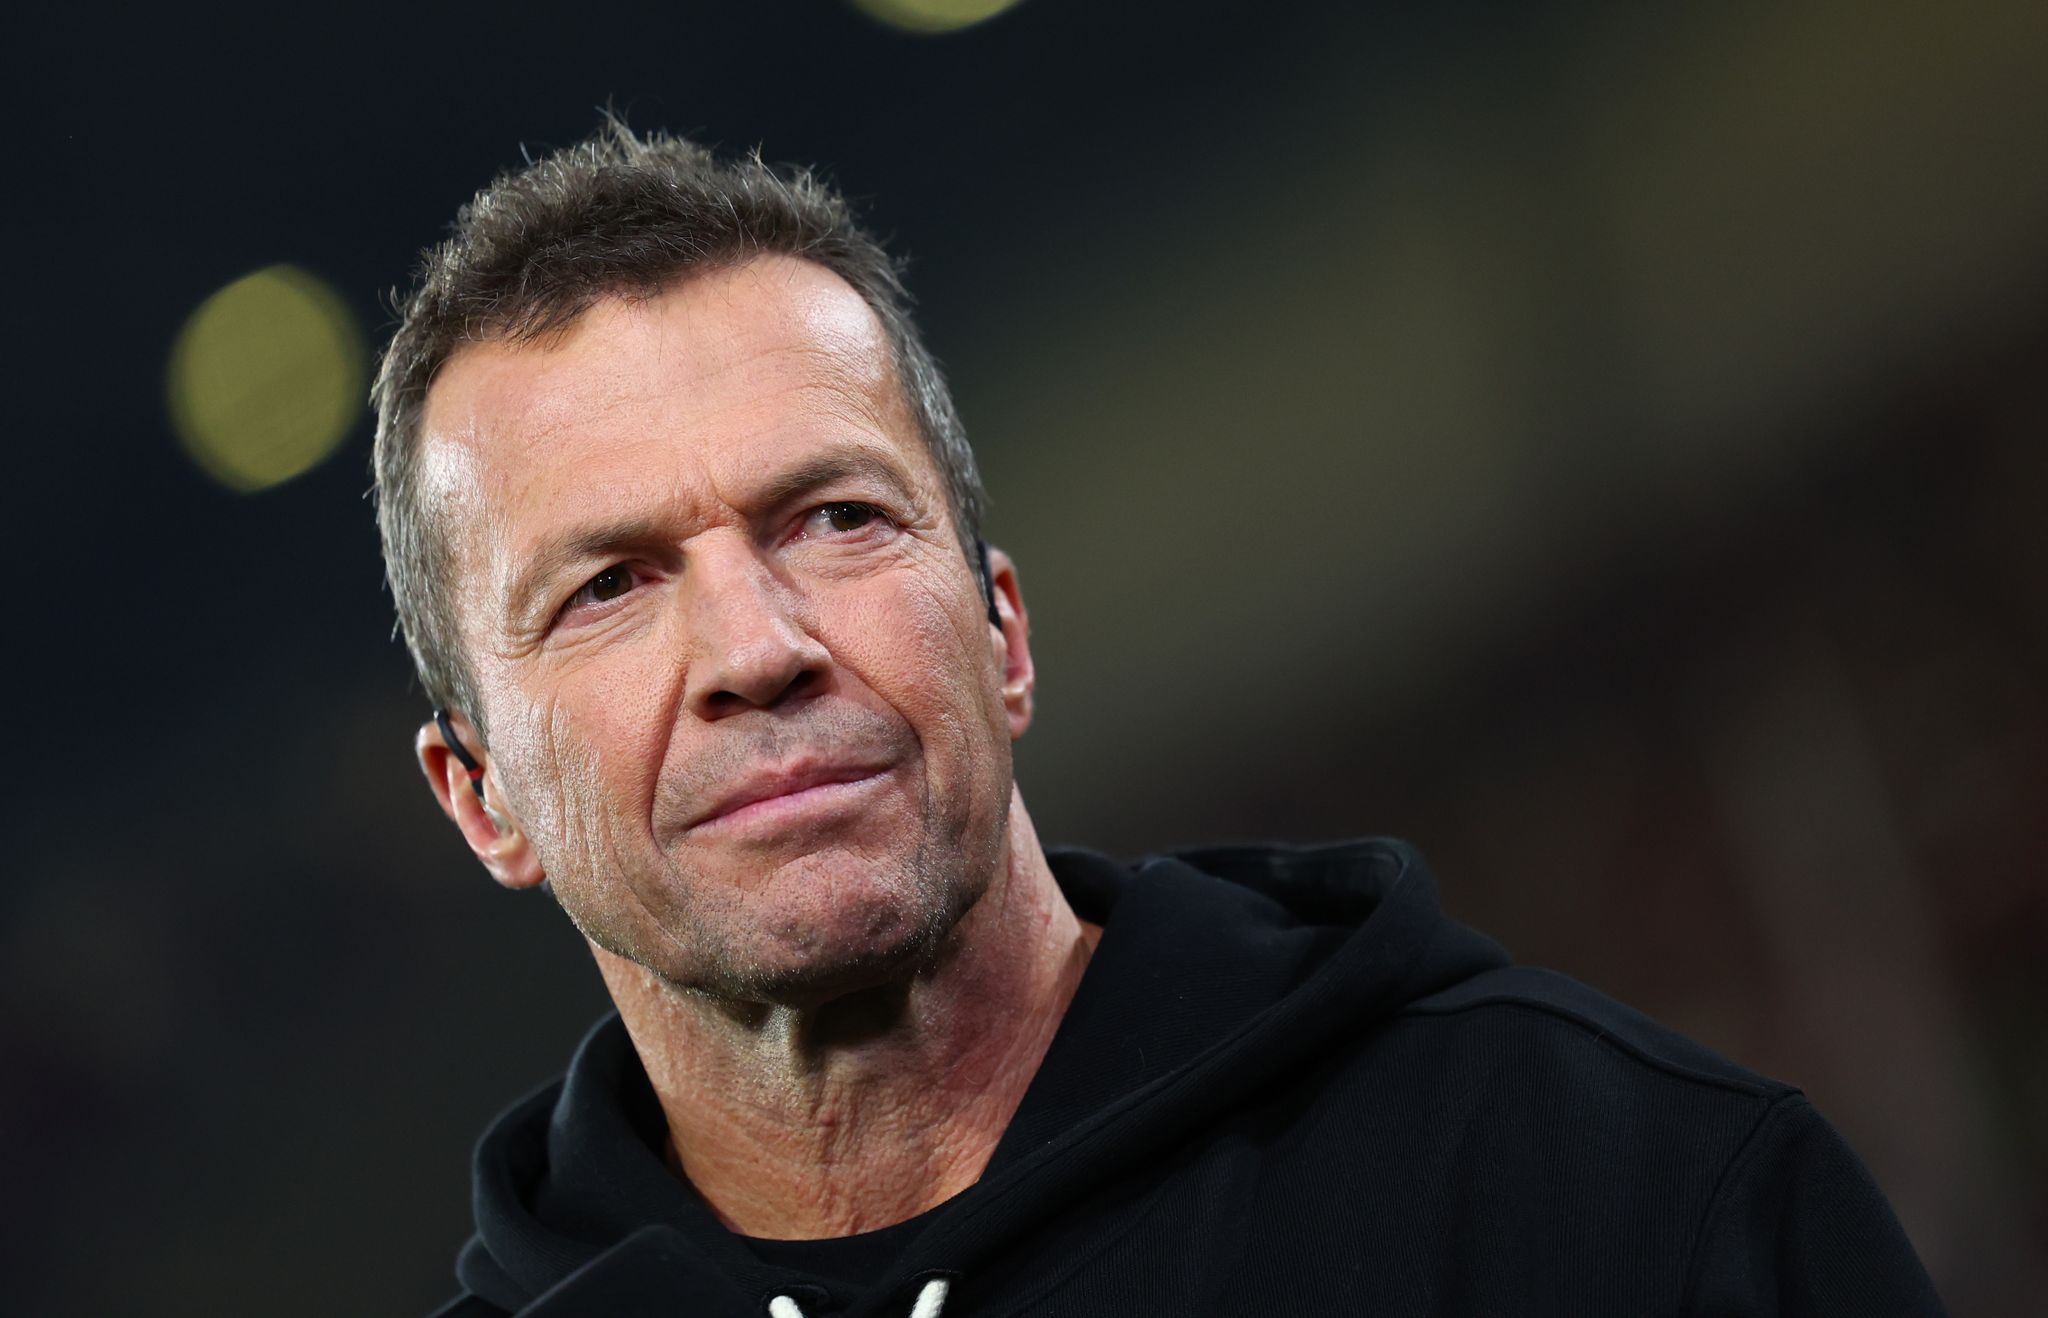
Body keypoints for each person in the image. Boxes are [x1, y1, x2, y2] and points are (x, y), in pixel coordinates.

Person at [371, 121, 1946, 1317]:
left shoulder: (1608, 1188)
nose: (757, 647)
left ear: (1004, 633)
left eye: (837, 517)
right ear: (481, 794)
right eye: (608, 588)